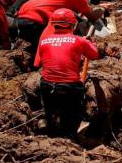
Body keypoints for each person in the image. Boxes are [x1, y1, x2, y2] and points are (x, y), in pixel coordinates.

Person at [34, 8, 100, 138]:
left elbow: (45, 60)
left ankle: (50, 129)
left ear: (53, 24)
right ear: (73, 24)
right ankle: (71, 135)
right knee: (72, 117)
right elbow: (94, 54)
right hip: (69, 87)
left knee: (51, 114)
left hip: (46, 85)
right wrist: (89, 43)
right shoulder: (78, 40)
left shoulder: (43, 41)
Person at [15, 0, 104, 54]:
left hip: (21, 16)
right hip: (33, 22)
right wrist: (102, 9)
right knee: (52, 47)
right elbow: (92, 17)